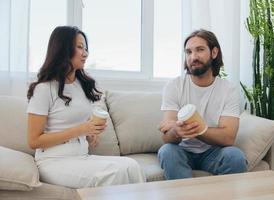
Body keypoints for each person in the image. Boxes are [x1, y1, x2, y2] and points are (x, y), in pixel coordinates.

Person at [27, 26, 145, 188]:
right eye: (80, 47)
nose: (85, 53)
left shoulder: (82, 86)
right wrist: (80, 130)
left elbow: (84, 131)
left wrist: (91, 134)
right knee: (114, 173)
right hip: (53, 161)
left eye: (86, 48)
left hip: (81, 156)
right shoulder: (44, 89)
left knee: (132, 166)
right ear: (63, 49)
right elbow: (34, 141)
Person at [157, 29, 247, 180]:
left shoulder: (228, 90)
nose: (193, 57)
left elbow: (228, 138)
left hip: (213, 152)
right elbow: (167, 139)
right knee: (167, 151)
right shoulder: (174, 86)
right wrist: (176, 131)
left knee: (235, 156)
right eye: (188, 52)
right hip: (181, 150)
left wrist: (200, 129)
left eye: (200, 50)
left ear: (214, 52)